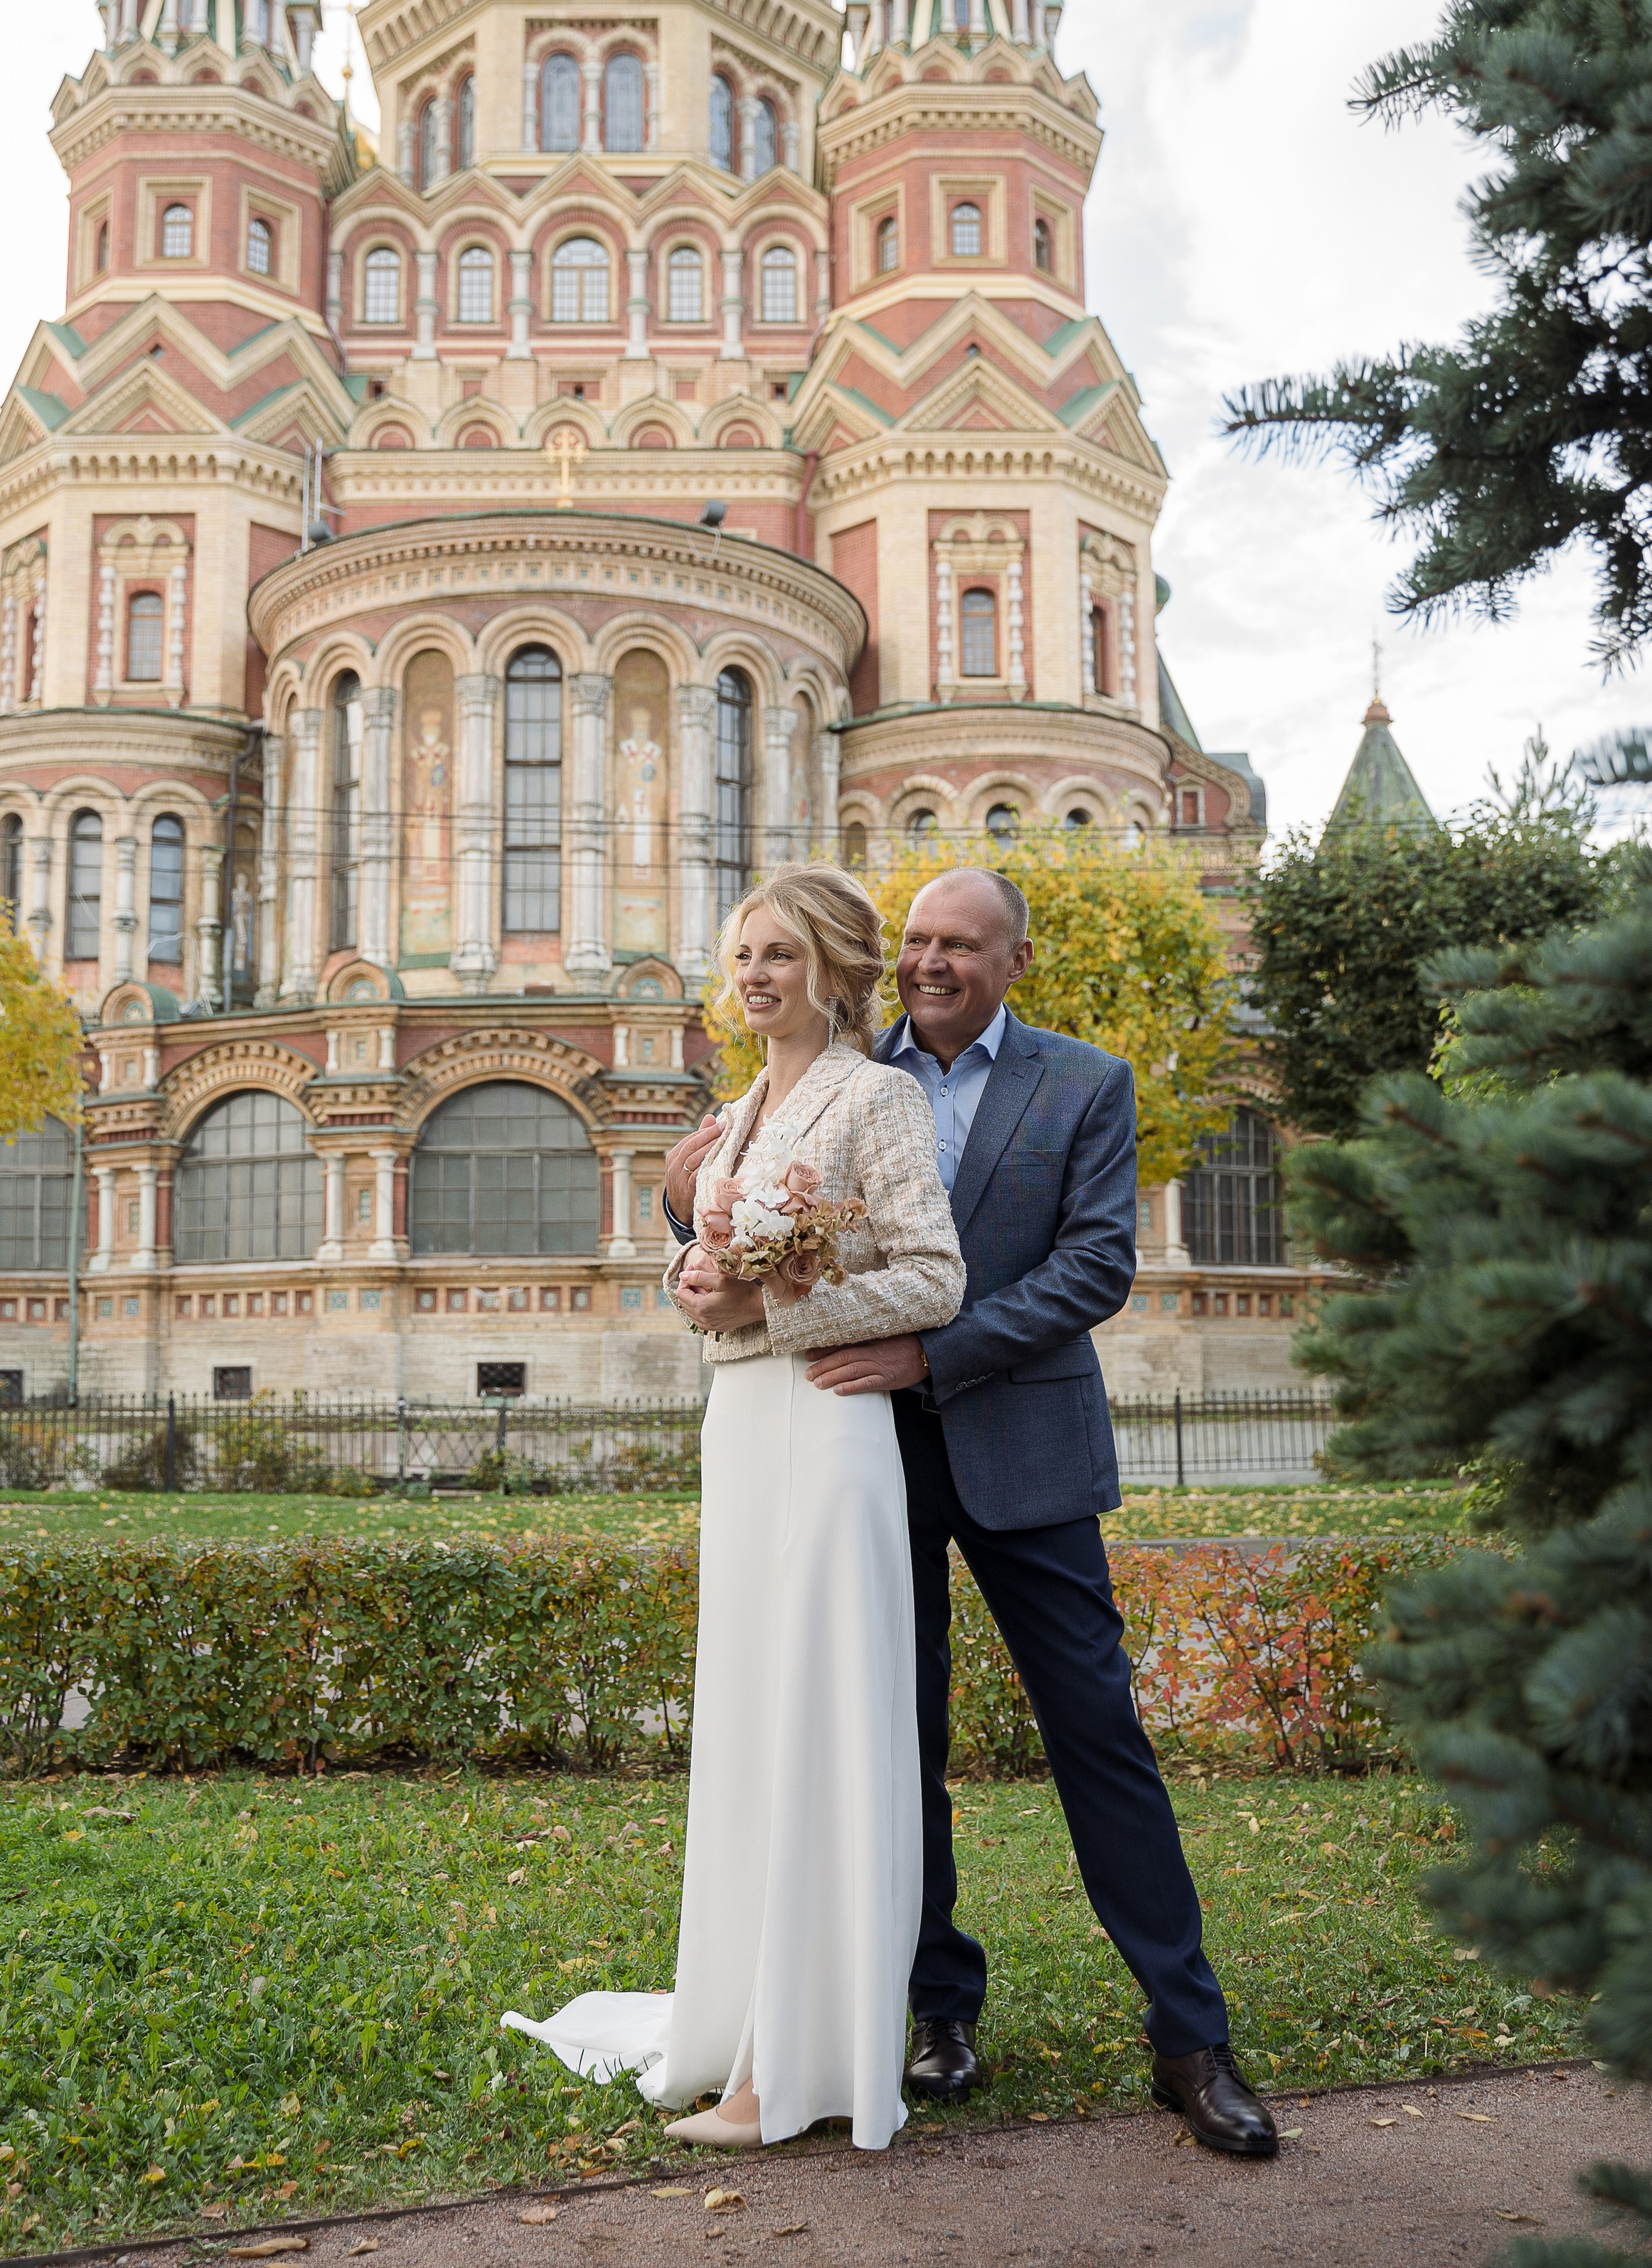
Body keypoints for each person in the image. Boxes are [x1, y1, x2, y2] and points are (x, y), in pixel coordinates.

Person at [664, 865, 1278, 2163]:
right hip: (863, 1451)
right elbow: (730, 1201)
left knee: (1098, 1735)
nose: (932, 963)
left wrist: (936, 1355)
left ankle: (1190, 2039)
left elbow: (1095, 1264)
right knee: (896, 1738)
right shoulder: (830, 1069)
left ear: (1017, 959)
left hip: (1022, 1446)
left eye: (962, 945)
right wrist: (692, 1221)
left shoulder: (1083, 1083)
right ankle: (939, 2013)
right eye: (920, 942)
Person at [503, 864, 965, 2151]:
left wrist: (779, 1307)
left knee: (820, 1721)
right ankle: (737, 2017)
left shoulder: (876, 1099)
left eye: (777, 953)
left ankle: (788, 2067)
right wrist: (693, 1279)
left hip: (828, 1425)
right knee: (755, 1720)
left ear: (831, 965)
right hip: (744, 1427)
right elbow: (709, 1264)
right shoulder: (738, 1109)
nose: (754, 976)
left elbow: (935, 1274)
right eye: (742, 956)